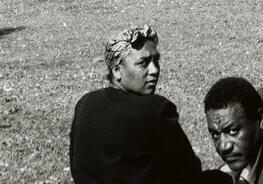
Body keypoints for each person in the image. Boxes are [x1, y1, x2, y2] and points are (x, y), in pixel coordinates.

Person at [70, 24, 230, 183]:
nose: (154, 70)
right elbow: (189, 173)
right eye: (143, 63)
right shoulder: (155, 110)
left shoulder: (85, 104)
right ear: (117, 71)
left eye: (156, 61)